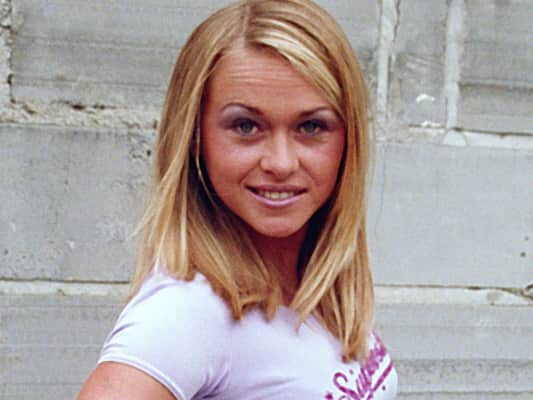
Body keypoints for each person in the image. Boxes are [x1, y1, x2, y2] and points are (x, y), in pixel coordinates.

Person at [77, 0, 398, 399]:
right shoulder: (185, 312)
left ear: (349, 141)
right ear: (196, 138)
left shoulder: (321, 294)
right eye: (246, 126)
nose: (281, 163)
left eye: (311, 126)